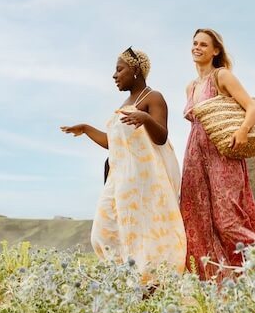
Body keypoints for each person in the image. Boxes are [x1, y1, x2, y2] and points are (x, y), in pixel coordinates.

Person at [61, 47, 186, 280]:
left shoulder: (153, 97)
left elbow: (161, 137)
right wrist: (86, 129)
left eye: (119, 69)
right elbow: (114, 143)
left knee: (143, 233)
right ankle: (125, 278)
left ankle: (151, 282)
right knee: (102, 230)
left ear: (136, 71)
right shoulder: (125, 103)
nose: (114, 75)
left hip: (144, 180)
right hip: (120, 179)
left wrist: (146, 118)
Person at [181, 28, 255, 280]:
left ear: (215, 50)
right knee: (199, 217)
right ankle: (222, 278)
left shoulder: (221, 76)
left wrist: (243, 130)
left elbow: (252, 108)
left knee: (228, 220)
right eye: (194, 43)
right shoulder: (190, 87)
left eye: (203, 44)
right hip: (195, 155)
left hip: (223, 153)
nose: (197, 48)